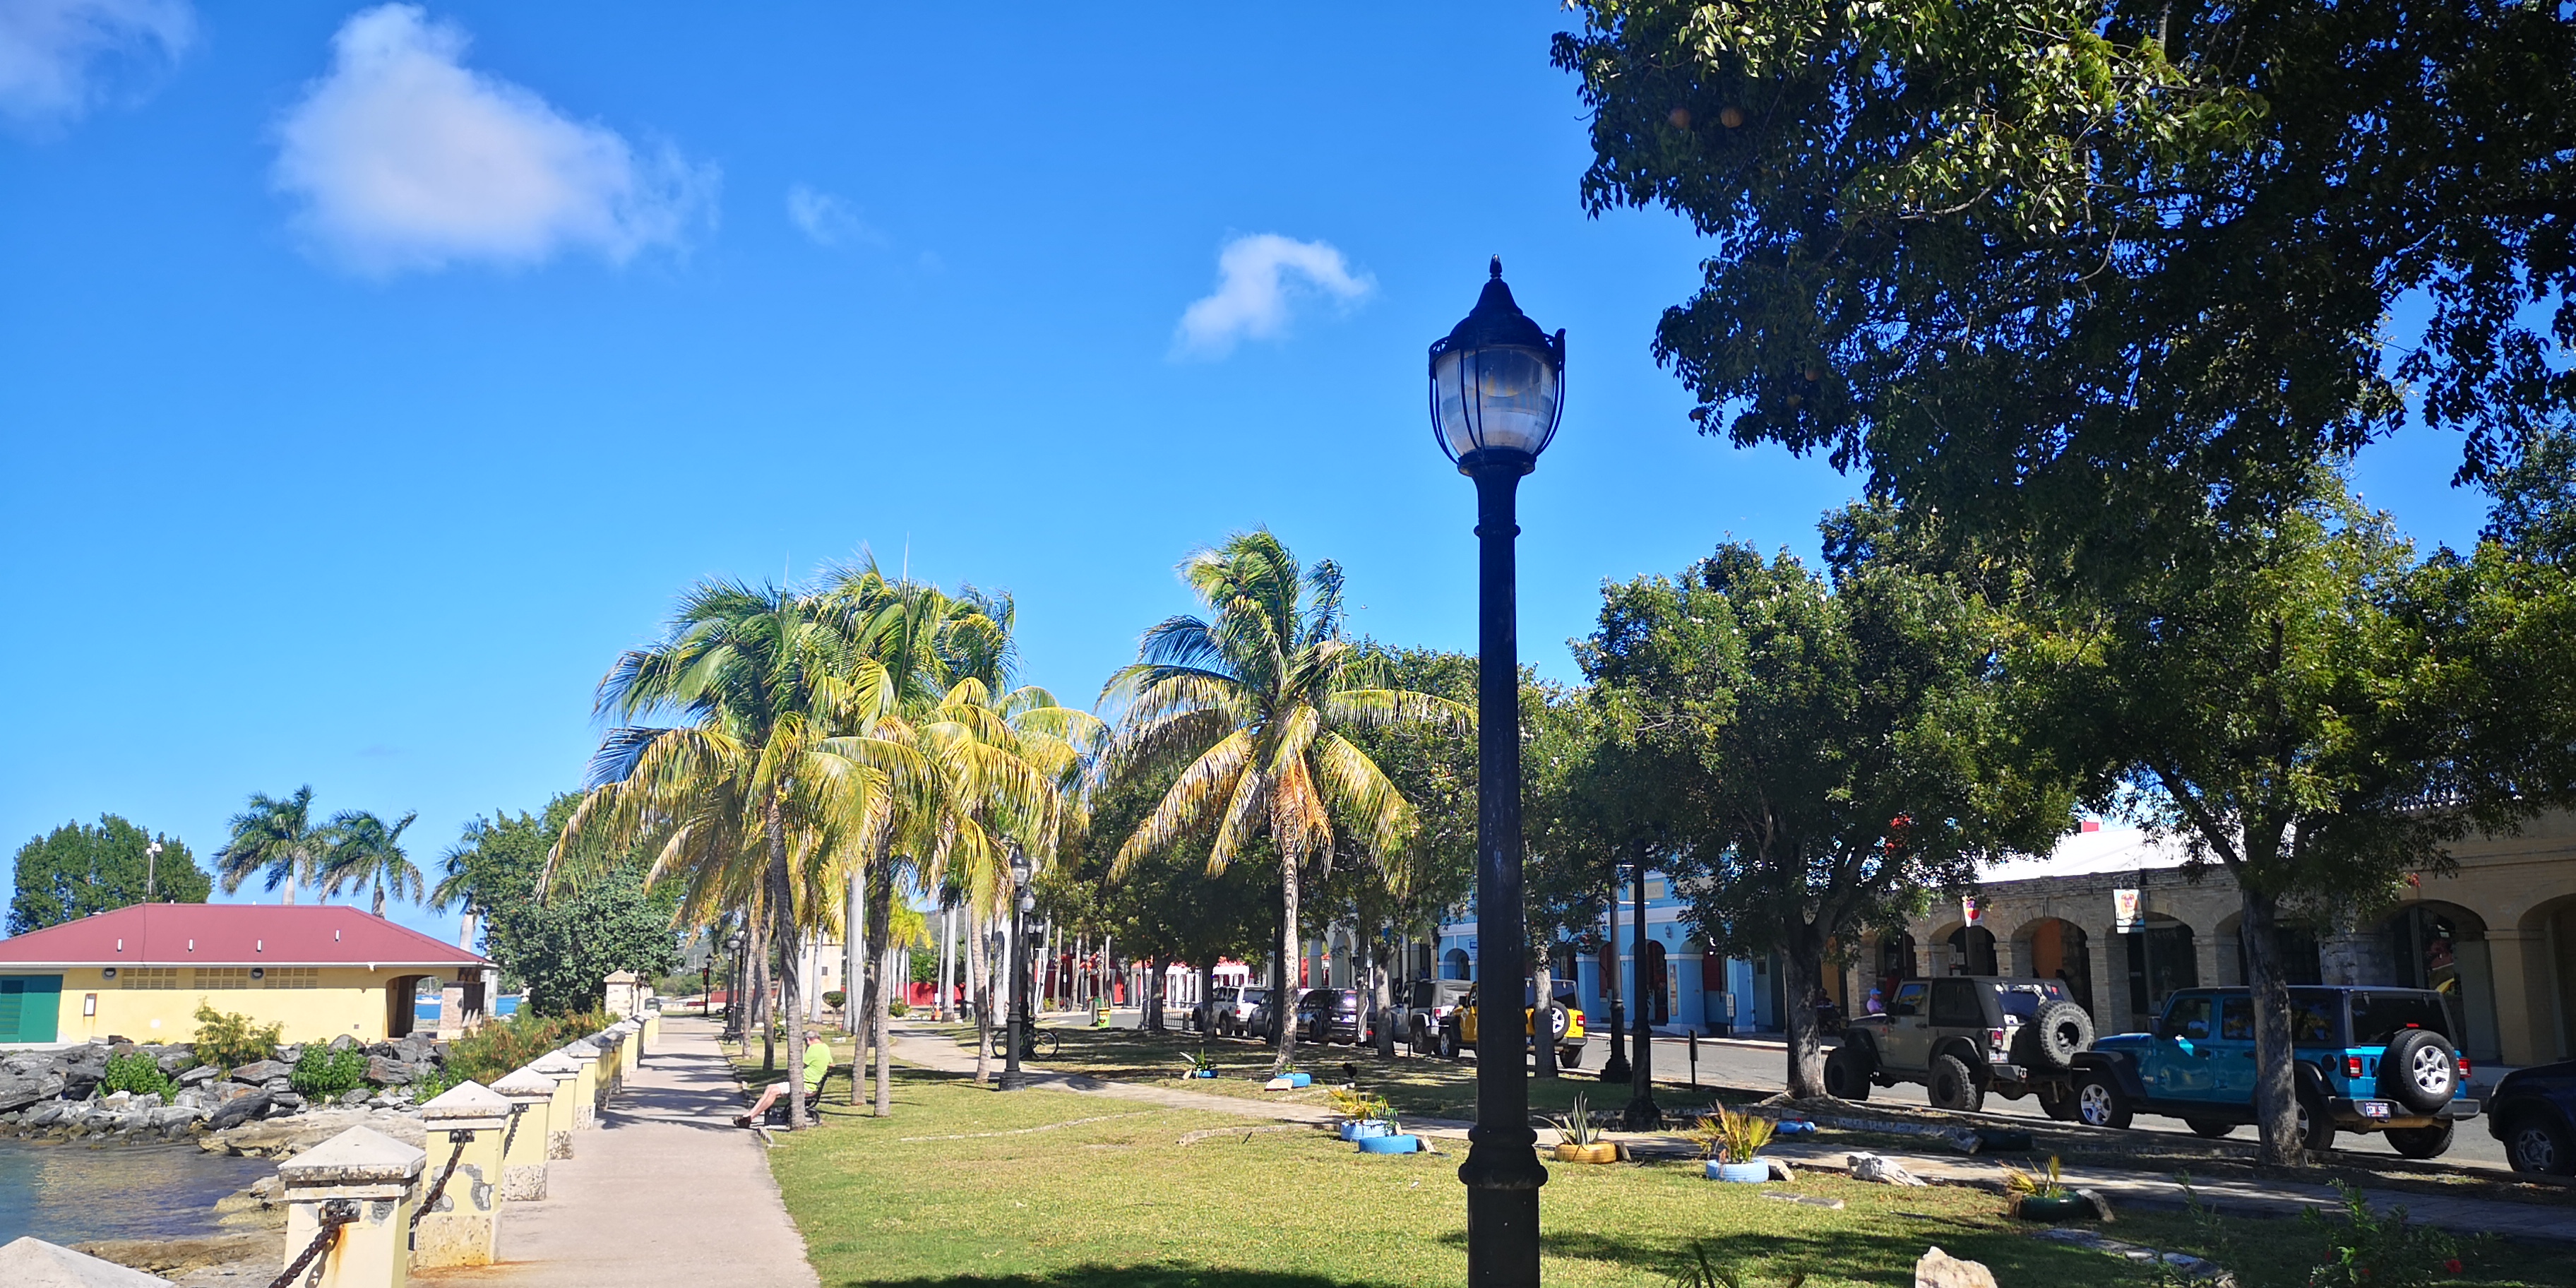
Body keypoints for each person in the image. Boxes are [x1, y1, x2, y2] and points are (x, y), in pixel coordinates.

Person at [736, 1030, 829, 1127]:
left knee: (773, 1091)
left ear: (808, 1040)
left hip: (803, 1086)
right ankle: (749, 1115)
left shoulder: (814, 1048)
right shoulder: (825, 1047)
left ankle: (750, 1118)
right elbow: (831, 1064)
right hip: (809, 1084)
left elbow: (799, 1064)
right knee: (770, 1087)